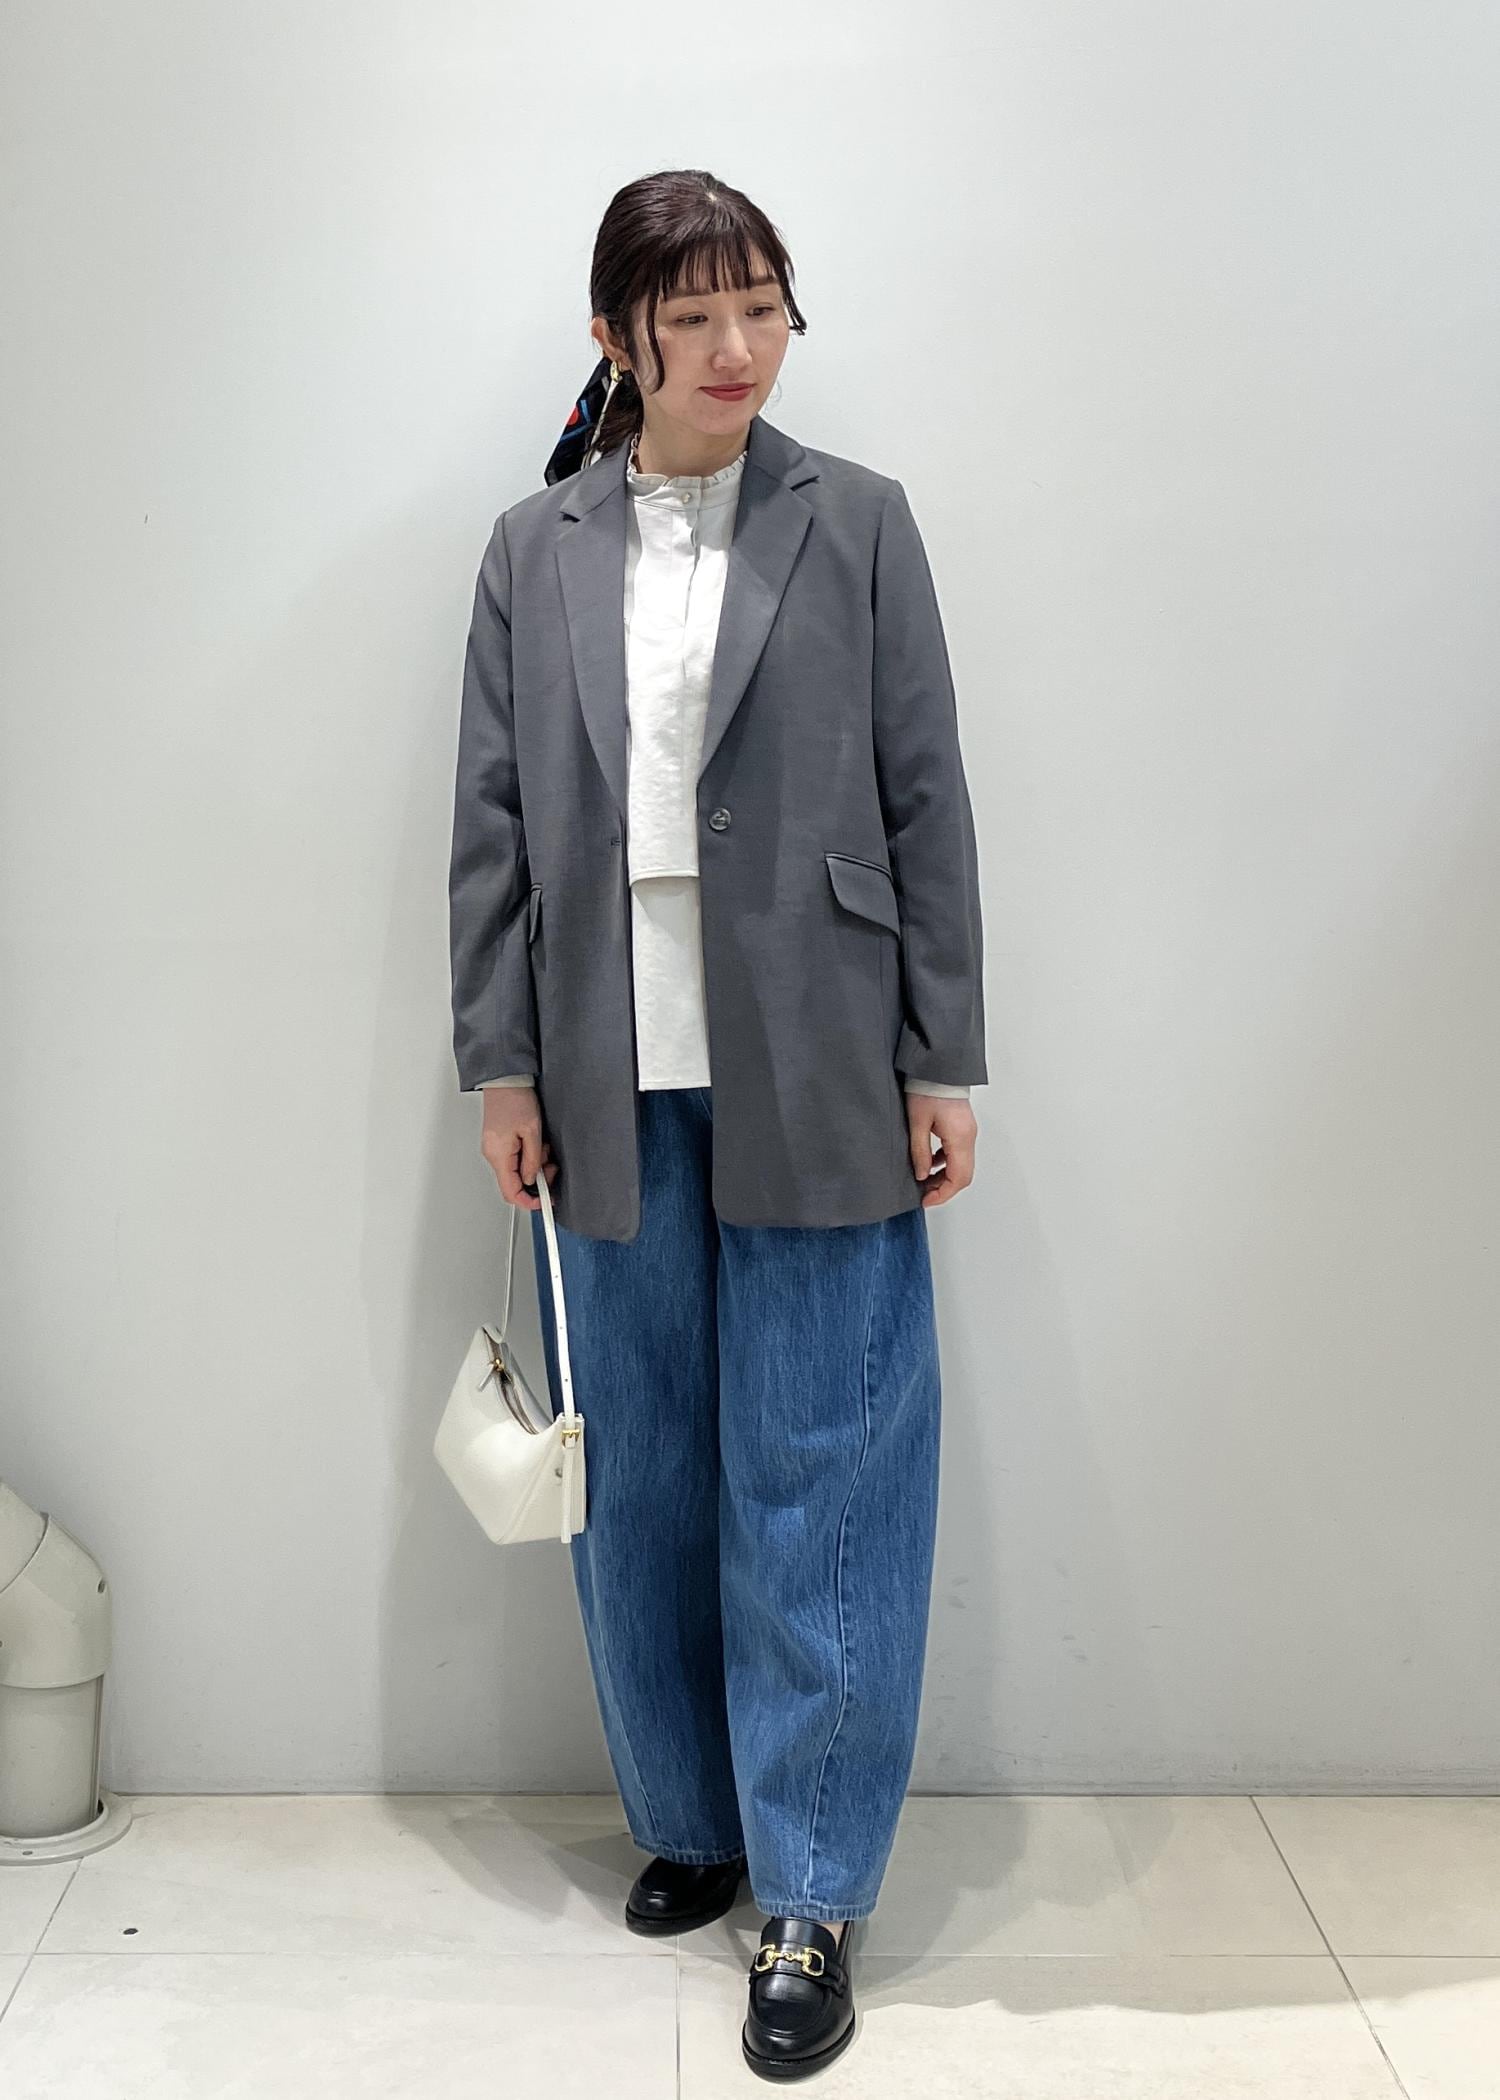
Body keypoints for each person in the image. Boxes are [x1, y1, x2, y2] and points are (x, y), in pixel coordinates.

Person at [448, 167, 986, 2081]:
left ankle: (813, 1888)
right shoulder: (533, 549)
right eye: (695, 318)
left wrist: (942, 1058)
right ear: (619, 338)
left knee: (823, 1471)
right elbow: (493, 826)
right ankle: (693, 1818)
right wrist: (502, 1070)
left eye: (764, 307)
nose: (739, 349)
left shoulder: (861, 522)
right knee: (650, 1469)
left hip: (822, 1054)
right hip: (606, 1070)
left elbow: (925, 796)